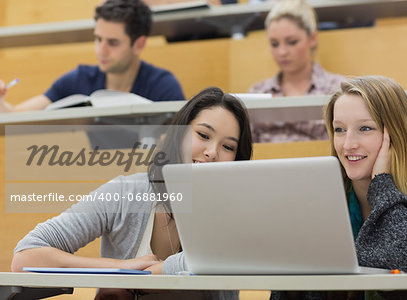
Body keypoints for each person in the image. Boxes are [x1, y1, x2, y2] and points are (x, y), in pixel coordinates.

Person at [11, 87, 252, 300]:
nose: (212, 152)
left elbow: (203, 261)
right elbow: (25, 259)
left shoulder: (234, 212)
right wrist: (118, 269)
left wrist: (141, 277)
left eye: (228, 147)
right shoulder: (127, 193)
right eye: (203, 135)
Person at [272, 75, 407, 300]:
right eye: (339, 130)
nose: (348, 144)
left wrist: (382, 184)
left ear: (396, 135)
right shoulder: (319, 197)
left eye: (365, 128)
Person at [0, 0, 184, 113]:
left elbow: (182, 145)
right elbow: (16, 115)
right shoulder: (78, 79)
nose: (101, 51)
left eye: (113, 43)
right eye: (98, 39)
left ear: (139, 44)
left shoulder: (162, 85)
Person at [249, 0, 344, 143]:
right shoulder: (258, 92)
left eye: (292, 42)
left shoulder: (337, 88)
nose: (282, 52)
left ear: (312, 38)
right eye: (274, 44)